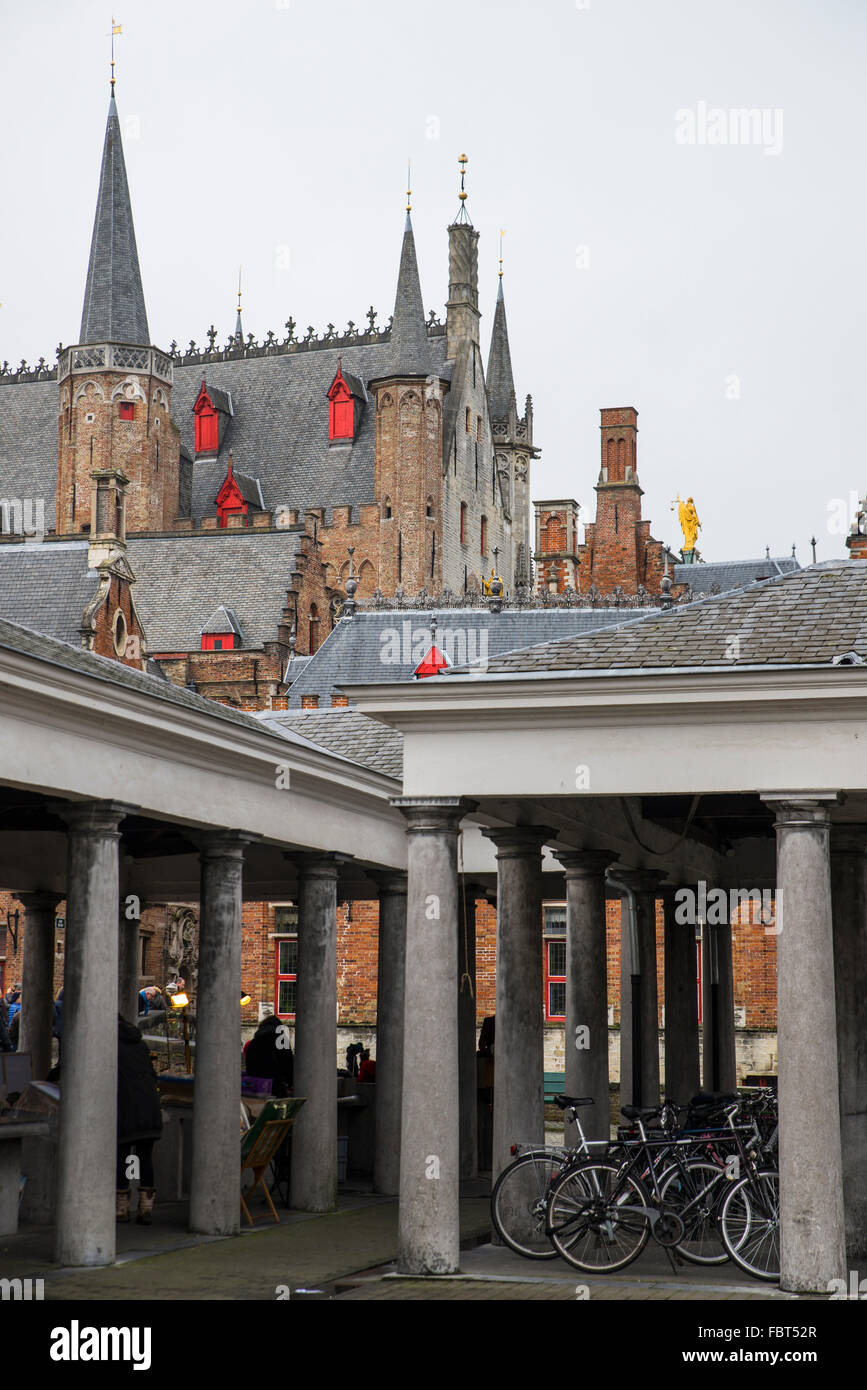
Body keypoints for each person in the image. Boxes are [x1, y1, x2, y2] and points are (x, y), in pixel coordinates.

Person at [116, 1014, 163, 1224]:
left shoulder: (111, 1046)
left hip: (127, 1107)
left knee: (125, 1157)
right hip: (149, 1107)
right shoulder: (140, 1045)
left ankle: (122, 1208)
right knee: (145, 1158)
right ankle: (145, 1208)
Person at [245, 1015, 294, 1097]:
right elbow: (288, 1064)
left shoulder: (254, 1042)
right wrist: (289, 1083)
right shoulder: (281, 1041)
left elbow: (249, 1064)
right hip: (276, 1086)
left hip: (256, 1086)